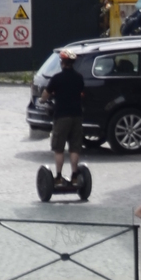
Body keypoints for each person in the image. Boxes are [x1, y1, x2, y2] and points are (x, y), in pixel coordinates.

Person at [44, 46, 84, 183]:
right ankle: (74, 176)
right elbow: (81, 93)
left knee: (59, 148)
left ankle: (59, 177)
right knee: (74, 147)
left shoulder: (57, 78)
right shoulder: (79, 78)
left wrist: (44, 98)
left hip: (61, 116)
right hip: (77, 116)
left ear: (62, 62)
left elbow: (45, 94)